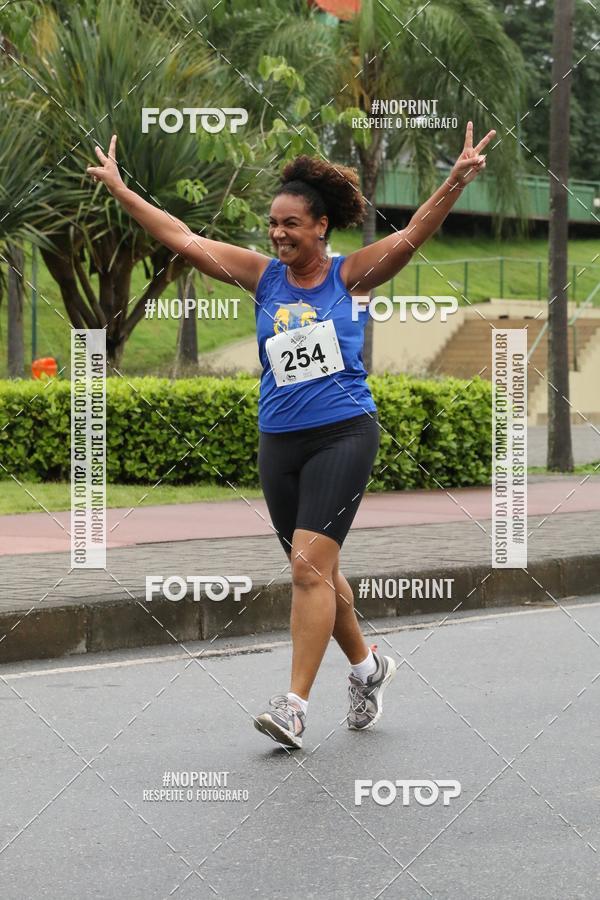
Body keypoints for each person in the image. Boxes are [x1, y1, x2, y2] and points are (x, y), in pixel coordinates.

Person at [87, 121, 495, 750]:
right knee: (318, 573)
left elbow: (413, 234)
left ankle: (294, 707)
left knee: (308, 567)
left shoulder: (350, 276)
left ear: (321, 226)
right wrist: (121, 190)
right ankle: (369, 668)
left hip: (344, 433)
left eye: (291, 224)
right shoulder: (262, 276)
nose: (278, 233)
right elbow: (183, 237)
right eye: (273, 224)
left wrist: (453, 183)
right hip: (279, 440)